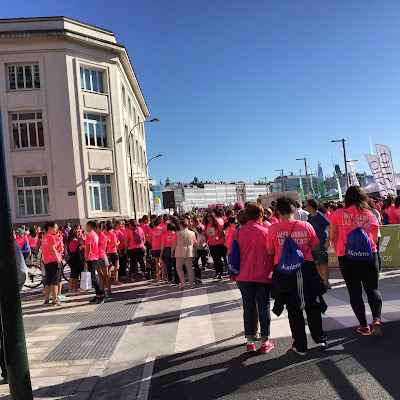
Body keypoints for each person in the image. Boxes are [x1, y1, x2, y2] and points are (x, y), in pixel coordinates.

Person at [267, 197, 328, 356]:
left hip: (285, 271)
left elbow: (270, 251)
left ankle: (301, 345)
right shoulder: (306, 225)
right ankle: (319, 338)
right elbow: (315, 246)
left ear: (277, 211)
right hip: (306, 268)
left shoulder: (274, 228)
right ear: (294, 209)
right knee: (312, 304)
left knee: (293, 308)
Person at [330, 186, 382, 336]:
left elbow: (333, 237)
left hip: (347, 257)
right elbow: (374, 237)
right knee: (373, 289)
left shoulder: (339, 213)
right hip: (369, 256)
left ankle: (364, 326)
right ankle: (377, 318)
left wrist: (340, 250)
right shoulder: (370, 214)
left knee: (354, 292)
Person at [236, 203, 275, 354]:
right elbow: (272, 252)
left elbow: (233, 255)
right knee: (264, 307)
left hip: (244, 275)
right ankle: (265, 342)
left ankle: (250, 342)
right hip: (264, 274)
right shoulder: (267, 231)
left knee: (248, 307)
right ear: (260, 216)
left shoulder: (237, 233)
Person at [306, 199, 331, 289]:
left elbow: (330, 226)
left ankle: (326, 282)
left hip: (321, 242)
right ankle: (322, 279)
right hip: (313, 243)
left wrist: (328, 240)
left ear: (311, 207)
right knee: (315, 263)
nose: (306, 207)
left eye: (307, 205)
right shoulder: (309, 217)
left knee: (323, 263)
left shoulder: (320, 216)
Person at [171, 219, 197, 289]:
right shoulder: (192, 233)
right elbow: (195, 243)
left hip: (180, 252)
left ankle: (183, 282)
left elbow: (174, 244)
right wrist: (195, 251)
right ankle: (191, 284)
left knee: (179, 267)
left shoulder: (177, 234)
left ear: (181, 225)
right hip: (189, 251)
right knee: (190, 268)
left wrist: (172, 251)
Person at [41, 222, 63, 306]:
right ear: (50, 228)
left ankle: (46, 300)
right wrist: (58, 261)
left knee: (48, 281)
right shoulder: (51, 237)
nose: (56, 229)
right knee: (55, 281)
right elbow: (53, 249)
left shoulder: (44, 237)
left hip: (46, 261)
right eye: (55, 227)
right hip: (54, 261)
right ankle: (55, 300)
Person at [85, 220, 104, 304]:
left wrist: (86, 259)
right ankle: (97, 295)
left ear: (89, 226)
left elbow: (88, 247)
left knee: (92, 278)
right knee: (93, 277)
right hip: (95, 256)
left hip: (91, 258)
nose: (86, 228)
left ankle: (101, 293)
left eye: (86, 226)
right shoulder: (95, 234)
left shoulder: (89, 235)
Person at [203, 212, 225, 280]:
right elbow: (206, 235)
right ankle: (217, 272)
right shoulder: (206, 225)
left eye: (210, 216)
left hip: (218, 243)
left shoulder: (217, 224)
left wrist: (218, 237)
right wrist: (206, 242)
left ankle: (220, 272)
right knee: (214, 259)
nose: (209, 218)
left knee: (218, 258)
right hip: (211, 244)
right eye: (208, 217)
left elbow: (222, 233)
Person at [95, 222, 112, 297]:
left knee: (106, 274)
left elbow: (97, 244)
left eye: (96, 228)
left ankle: (108, 289)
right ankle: (102, 290)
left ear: (100, 228)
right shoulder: (96, 236)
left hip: (102, 256)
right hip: (96, 257)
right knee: (100, 275)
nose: (95, 230)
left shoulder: (102, 236)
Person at [104, 221, 121, 285]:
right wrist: (118, 242)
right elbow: (114, 244)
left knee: (108, 267)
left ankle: (108, 280)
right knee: (116, 266)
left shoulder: (104, 233)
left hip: (107, 252)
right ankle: (115, 280)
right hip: (113, 251)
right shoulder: (113, 234)